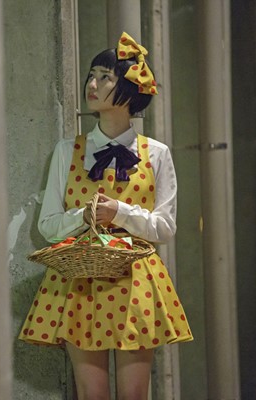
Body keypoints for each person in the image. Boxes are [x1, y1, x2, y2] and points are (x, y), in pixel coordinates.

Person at [18, 32, 193, 400]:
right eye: (91, 75)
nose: (92, 84)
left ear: (129, 89)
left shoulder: (156, 153)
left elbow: (165, 227)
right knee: (91, 393)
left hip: (137, 279)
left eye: (105, 77)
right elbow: (47, 226)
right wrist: (85, 216)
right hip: (79, 280)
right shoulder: (68, 150)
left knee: (135, 393)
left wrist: (120, 212)